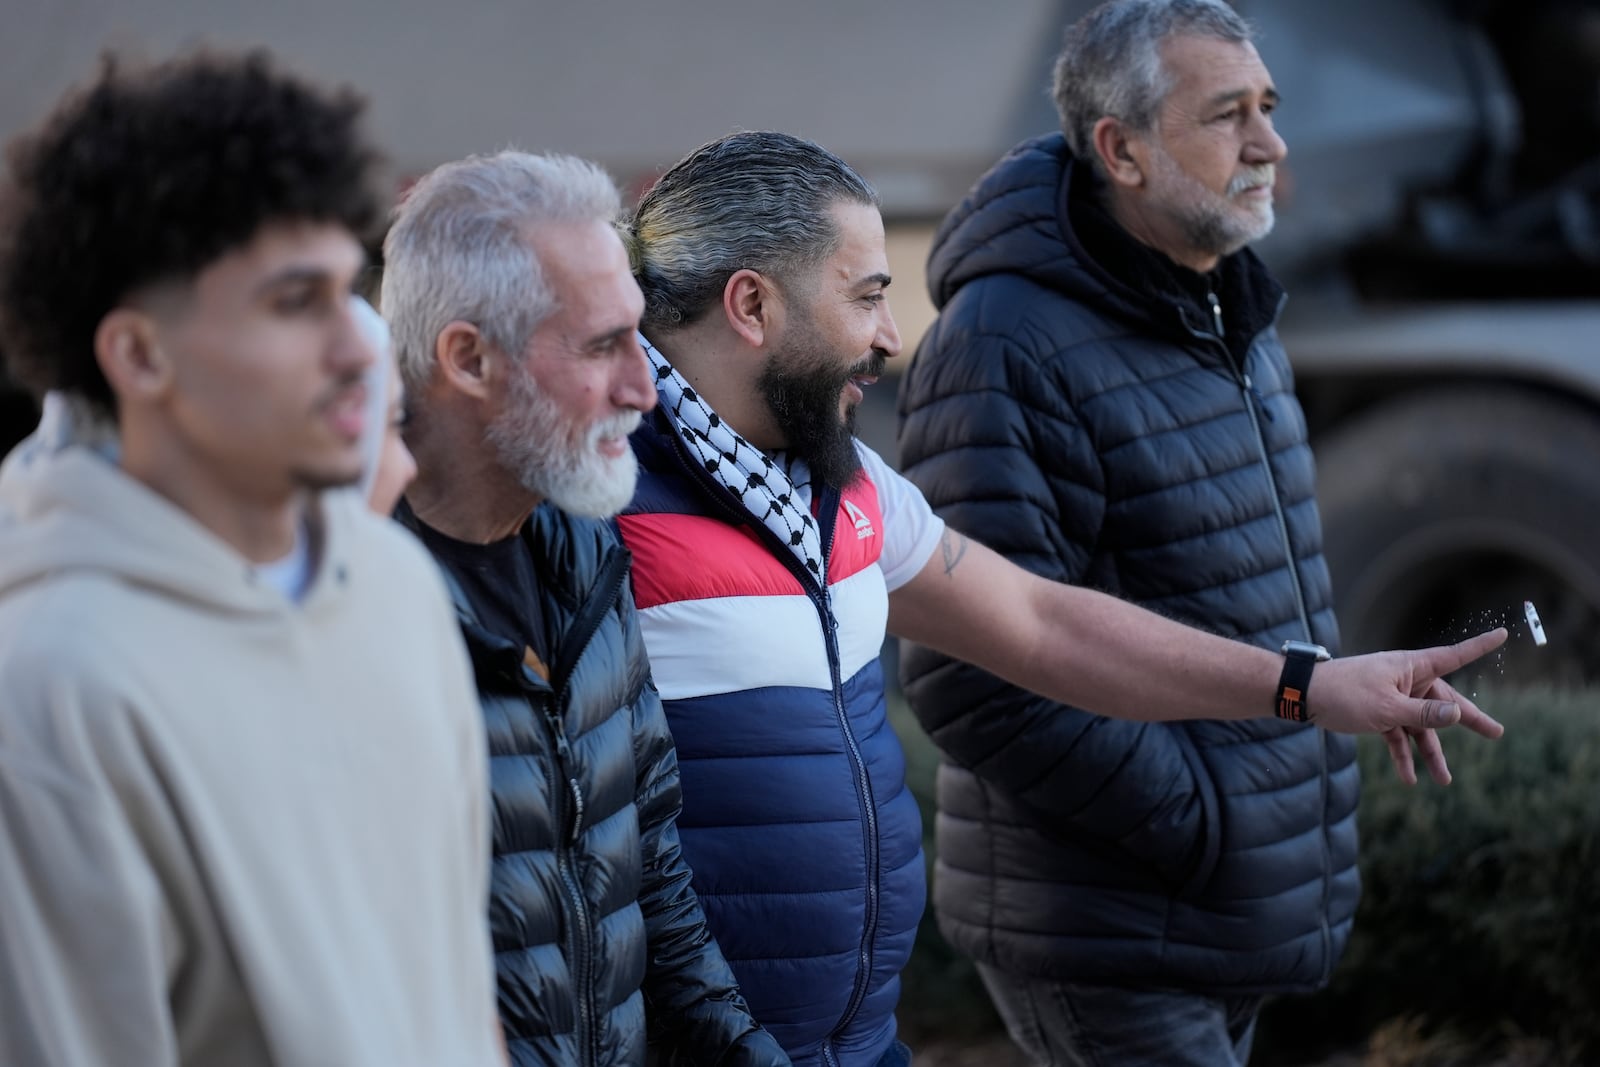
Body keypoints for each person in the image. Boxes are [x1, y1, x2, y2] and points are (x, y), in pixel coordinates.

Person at [619, 129, 1505, 1067]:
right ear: (751, 304)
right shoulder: (596, 510)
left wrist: (1309, 687)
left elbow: (1040, 624)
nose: (888, 335)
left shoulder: (847, 486)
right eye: (867, 295)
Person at [894, 1, 1404, 1062]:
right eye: (1227, 116)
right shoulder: (1001, 340)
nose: (1269, 142)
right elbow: (969, 673)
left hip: (1216, 916)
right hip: (1113, 933)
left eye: (1266, 107)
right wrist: (1202, 822)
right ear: (1120, 150)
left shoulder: (1228, 308)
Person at [0, 52, 502, 1066]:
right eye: (292, 302)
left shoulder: (396, 587)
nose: (360, 344)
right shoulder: (47, 687)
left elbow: (455, 987)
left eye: (347, 287)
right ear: (139, 356)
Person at [378, 149, 788, 1067]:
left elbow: (651, 878)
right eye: (603, 345)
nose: (646, 389)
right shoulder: (343, 605)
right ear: (467, 359)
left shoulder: (588, 549)